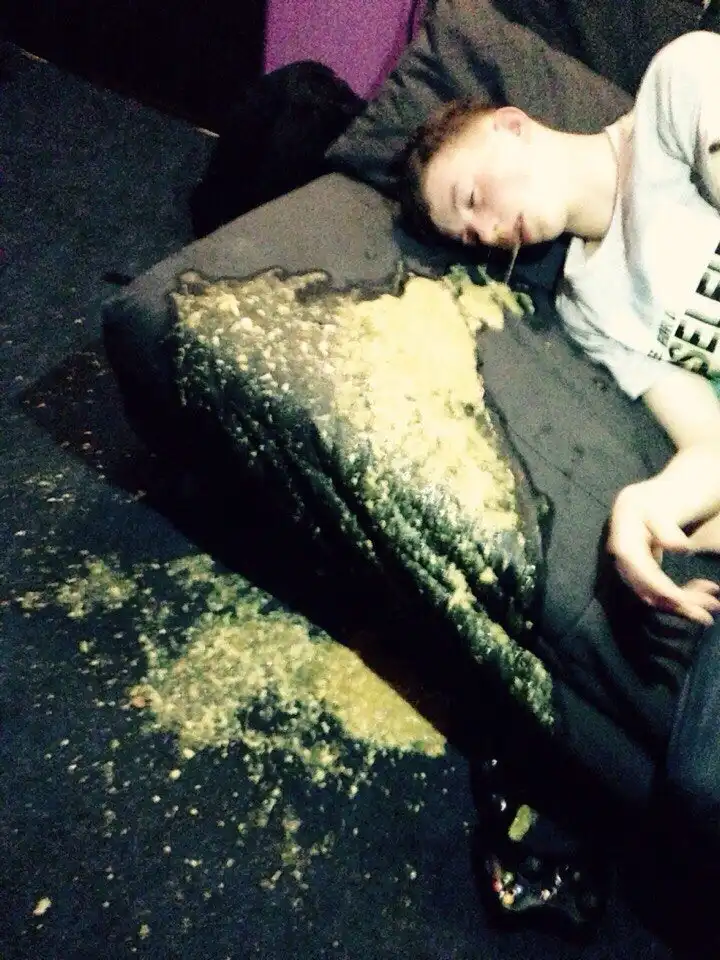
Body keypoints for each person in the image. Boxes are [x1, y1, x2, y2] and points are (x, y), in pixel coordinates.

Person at [399, 30, 720, 627]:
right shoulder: (588, 309)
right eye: (470, 237)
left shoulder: (678, 88)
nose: (487, 233)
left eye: (473, 198)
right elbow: (712, 444)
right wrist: (645, 505)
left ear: (511, 126)